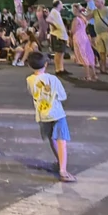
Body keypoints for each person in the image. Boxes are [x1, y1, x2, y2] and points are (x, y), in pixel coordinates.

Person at [26, 51, 76, 182]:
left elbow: (32, 93)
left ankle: (59, 162)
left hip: (42, 115)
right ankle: (63, 170)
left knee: (51, 139)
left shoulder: (30, 80)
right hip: (57, 113)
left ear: (30, 66)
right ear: (46, 64)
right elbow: (62, 96)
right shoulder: (53, 79)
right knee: (61, 140)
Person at [70, 5, 97, 81]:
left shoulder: (76, 19)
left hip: (78, 37)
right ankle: (94, 74)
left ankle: (87, 76)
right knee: (89, 54)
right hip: (84, 36)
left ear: (75, 10)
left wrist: (70, 37)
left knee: (83, 55)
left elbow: (73, 30)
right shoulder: (83, 18)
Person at [91, 0, 108, 75]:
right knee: (101, 52)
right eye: (95, 1)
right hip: (99, 34)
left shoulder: (107, 10)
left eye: (97, 1)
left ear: (102, 2)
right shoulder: (95, 11)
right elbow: (87, 17)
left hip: (106, 33)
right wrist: (80, 11)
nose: (95, 3)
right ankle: (103, 68)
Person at [46, 0, 69, 76]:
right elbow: (48, 20)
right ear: (58, 5)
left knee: (61, 53)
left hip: (60, 35)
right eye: (61, 3)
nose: (62, 5)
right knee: (58, 53)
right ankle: (58, 69)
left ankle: (61, 68)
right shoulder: (54, 12)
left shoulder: (56, 12)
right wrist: (55, 26)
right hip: (58, 35)